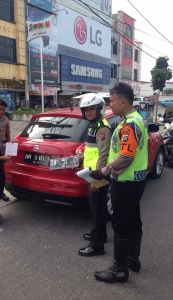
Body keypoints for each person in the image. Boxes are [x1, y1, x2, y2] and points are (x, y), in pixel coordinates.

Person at [91, 83, 148, 283]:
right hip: (135, 181)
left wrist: (104, 171)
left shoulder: (129, 125)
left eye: (112, 100)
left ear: (123, 101)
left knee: (121, 223)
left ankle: (119, 270)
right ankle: (133, 258)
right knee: (133, 219)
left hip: (125, 182)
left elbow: (125, 156)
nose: (110, 104)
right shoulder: (134, 119)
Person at [78, 93, 111, 257]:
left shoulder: (102, 128)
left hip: (97, 175)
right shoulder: (93, 126)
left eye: (91, 109)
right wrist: (82, 155)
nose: (88, 112)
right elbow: (93, 150)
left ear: (99, 109)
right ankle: (100, 235)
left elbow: (103, 155)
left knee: (97, 209)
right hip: (91, 173)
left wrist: (95, 180)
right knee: (98, 208)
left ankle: (97, 245)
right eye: (85, 110)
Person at [0, 98, 11, 202]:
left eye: (3, 110)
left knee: (1, 172)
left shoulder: (6, 120)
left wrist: (9, 148)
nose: (1, 112)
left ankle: (1, 192)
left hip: (3, 146)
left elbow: (8, 135)